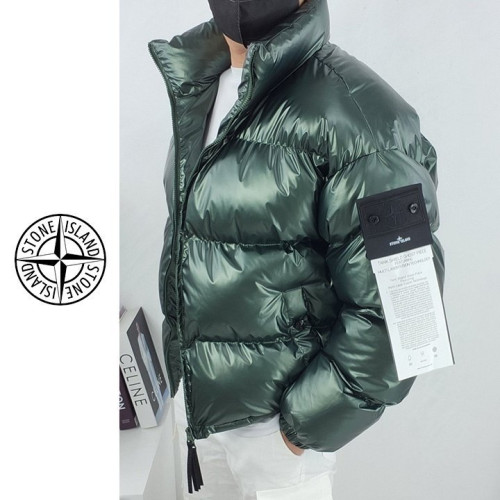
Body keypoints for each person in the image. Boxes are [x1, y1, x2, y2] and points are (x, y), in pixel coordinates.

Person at [148, 0, 445, 498]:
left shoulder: (361, 116)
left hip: (278, 441)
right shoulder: (200, 85)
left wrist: (299, 428)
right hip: (200, 418)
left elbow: (405, 313)